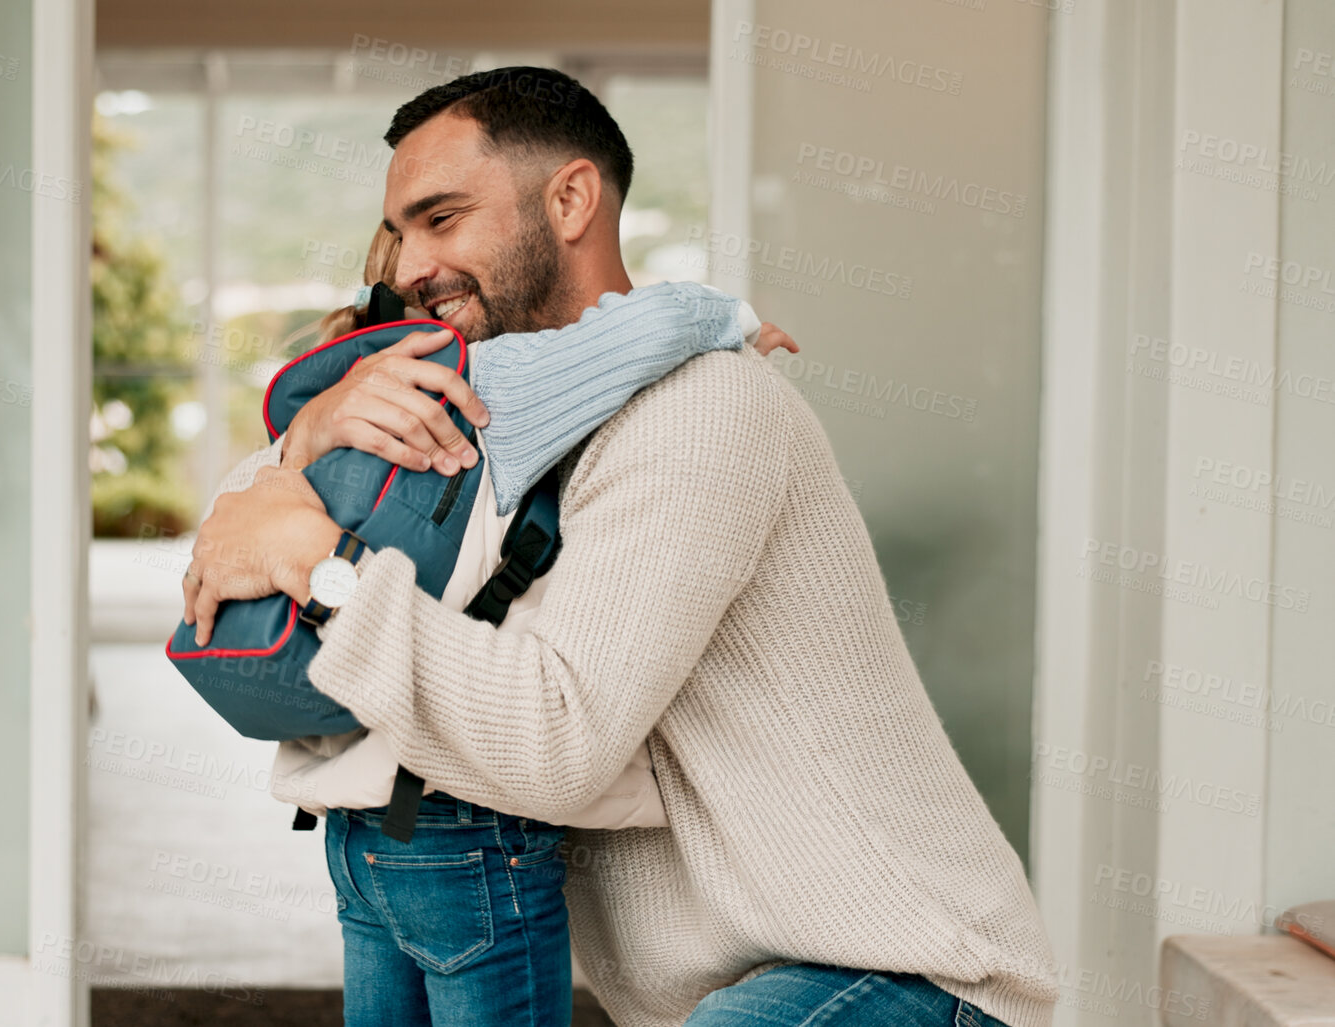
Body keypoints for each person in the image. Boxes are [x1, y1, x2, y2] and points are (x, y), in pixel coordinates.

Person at [182, 67, 1058, 1027]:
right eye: (402, 232)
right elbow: (227, 561)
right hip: (718, 994)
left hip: (906, 971)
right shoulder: (484, 416)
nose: (406, 267)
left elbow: (556, 744)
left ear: (568, 199)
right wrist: (308, 442)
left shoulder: (702, 409)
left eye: (442, 218)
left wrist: (318, 564)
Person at [206, 222, 798, 1027]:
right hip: (464, 818)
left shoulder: (328, 394)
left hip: (352, 824)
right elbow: (655, 325)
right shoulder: (480, 384)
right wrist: (732, 323)